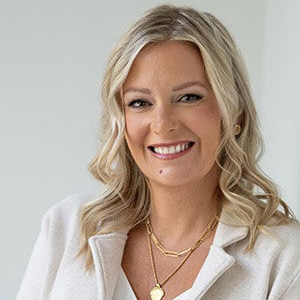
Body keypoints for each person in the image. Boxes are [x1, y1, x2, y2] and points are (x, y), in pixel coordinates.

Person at [16, 4, 300, 300]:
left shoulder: (284, 259)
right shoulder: (69, 227)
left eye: (189, 97)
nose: (163, 125)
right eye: (140, 102)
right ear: (120, 119)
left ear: (235, 114)